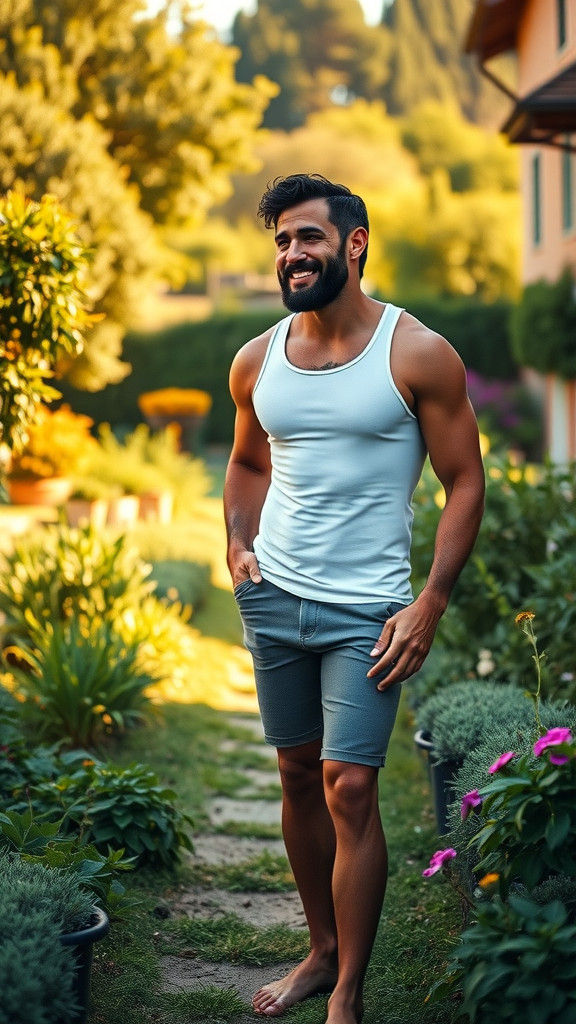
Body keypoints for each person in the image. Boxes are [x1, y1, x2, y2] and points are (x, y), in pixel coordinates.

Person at [224, 173, 485, 1024]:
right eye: (282, 243)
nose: (292, 255)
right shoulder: (258, 359)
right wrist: (237, 541)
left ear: (354, 243)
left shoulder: (416, 353)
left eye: (307, 238)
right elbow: (249, 462)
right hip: (276, 600)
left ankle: (348, 991)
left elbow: (464, 480)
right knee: (298, 775)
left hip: (368, 610)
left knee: (348, 787)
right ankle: (319, 948)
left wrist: (431, 603)